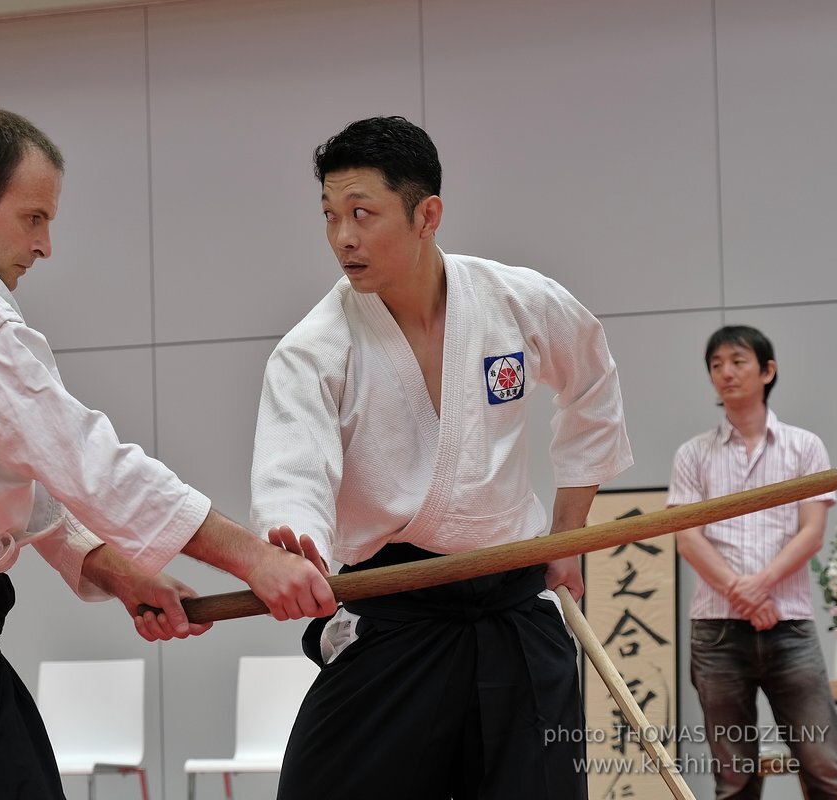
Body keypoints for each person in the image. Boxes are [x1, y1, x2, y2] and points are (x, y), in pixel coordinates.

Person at [0, 108, 336, 800]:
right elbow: (90, 464)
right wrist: (256, 558)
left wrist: (122, 572)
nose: (46, 246)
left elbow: (12, 483)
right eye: (34, 218)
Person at [250, 115, 633, 800]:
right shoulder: (313, 350)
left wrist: (569, 535)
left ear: (428, 214)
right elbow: (294, 474)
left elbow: (593, 382)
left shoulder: (516, 302)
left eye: (362, 213)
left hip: (514, 606)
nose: (343, 237)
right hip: (395, 612)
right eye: (330, 215)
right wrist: (294, 547)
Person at [669, 325, 837, 799]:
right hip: (716, 632)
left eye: (738, 361)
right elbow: (688, 541)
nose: (725, 373)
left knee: (825, 768)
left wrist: (761, 586)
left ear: (768, 370)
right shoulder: (692, 454)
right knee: (734, 780)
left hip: (789, 626)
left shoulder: (805, 447)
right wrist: (741, 590)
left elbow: (812, 533)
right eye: (716, 365)